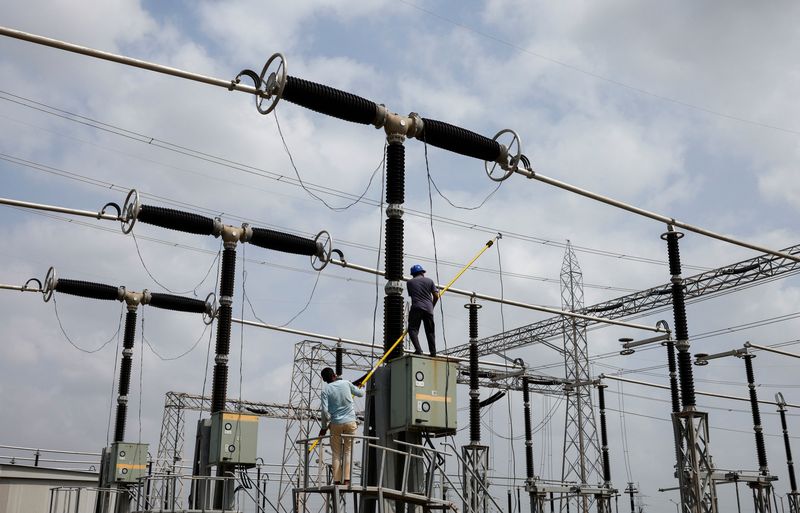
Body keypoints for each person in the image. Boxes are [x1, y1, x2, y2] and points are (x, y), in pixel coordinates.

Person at [318, 367, 364, 485]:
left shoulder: (325, 390)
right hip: (350, 422)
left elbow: (324, 411)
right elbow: (360, 394)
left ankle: (337, 481)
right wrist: (359, 386)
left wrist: (324, 427)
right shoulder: (346, 383)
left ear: (324, 379)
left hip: (336, 424)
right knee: (348, 451)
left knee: (336, 453)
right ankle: (347, 480)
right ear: (334, 375)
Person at [406, 264, 439, 356]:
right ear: (422, 272)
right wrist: (432, 306)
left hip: (416, 307)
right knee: (430, 331)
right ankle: (433, 352)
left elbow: (412, 295)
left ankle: (419, 350)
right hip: (429, 309)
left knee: (413, 329)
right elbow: (436, 296)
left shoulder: (409, 283)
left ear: (413, 274)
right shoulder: (430, 281)